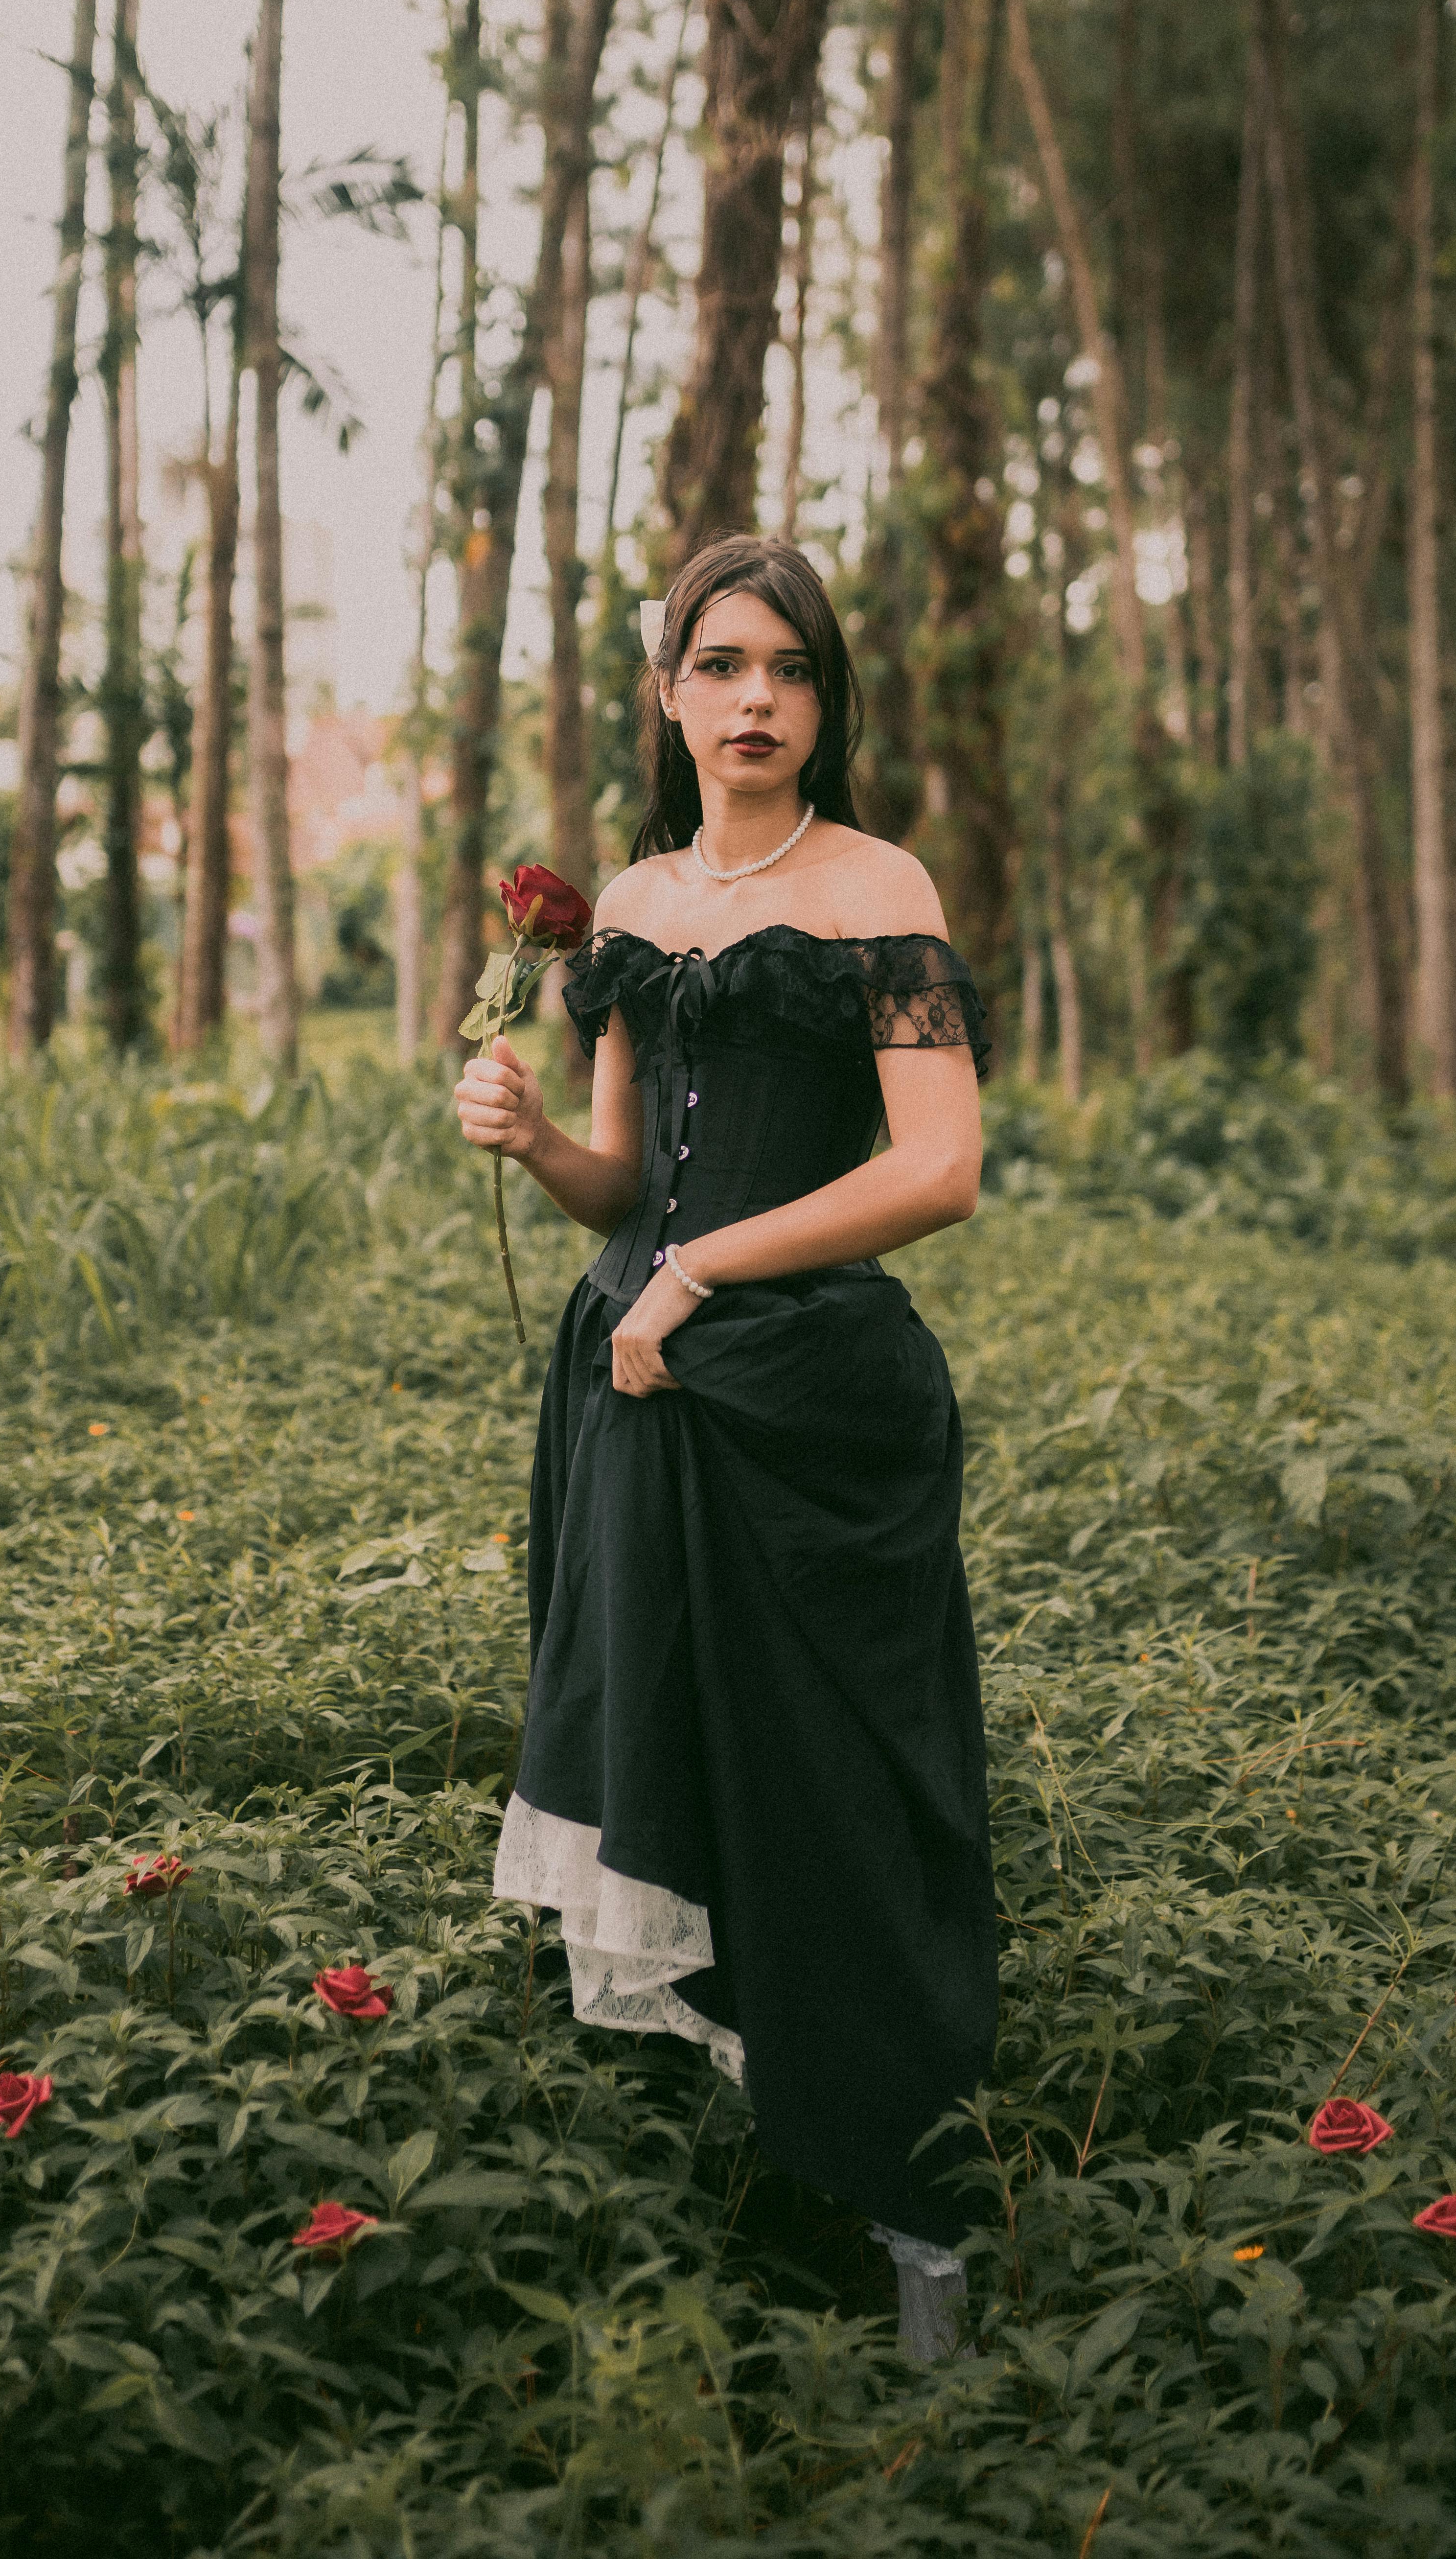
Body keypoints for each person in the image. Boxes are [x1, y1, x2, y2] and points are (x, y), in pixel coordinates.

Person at [453, 536, 996, 2363]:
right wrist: (537, 1142)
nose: (757, 698)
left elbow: (940, 1169)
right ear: (670, 691)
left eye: (792, 668)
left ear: (826, 701)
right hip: (631, 1388)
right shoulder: (627, 902)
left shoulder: (879, 887)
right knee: (684, 1764)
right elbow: (623, 1179)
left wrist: (702, 1269)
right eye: (722, 664)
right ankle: (749, 2205)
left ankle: (921, 2234)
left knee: (837, 1797)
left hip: (812, 1403)